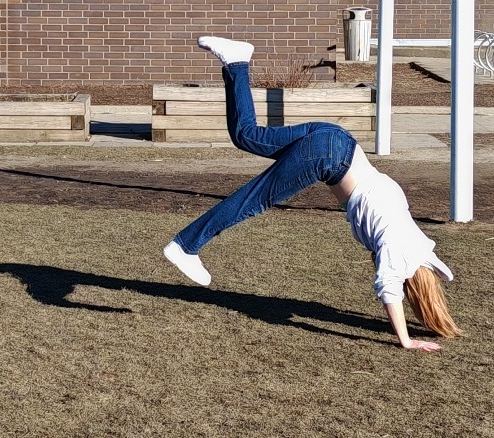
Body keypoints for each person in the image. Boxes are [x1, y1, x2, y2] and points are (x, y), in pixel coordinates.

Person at [164, 36, 461, 352]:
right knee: (254, 199)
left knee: (246, 136)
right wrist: (406, 340)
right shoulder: (399, 252)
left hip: (335, 138)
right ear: (412, 283)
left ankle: (237, 62)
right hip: (327, 157)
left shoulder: (418, 246)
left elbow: (443, 273)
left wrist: (432, 296)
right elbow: (388, 289)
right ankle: (186, 245)